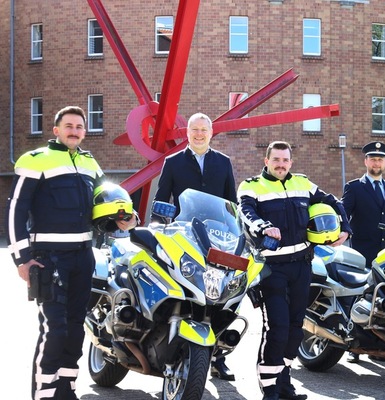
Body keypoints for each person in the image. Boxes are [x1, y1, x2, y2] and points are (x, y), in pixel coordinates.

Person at [8, 106, 137, 400]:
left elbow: (101, 204)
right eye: (69, 126)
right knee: (55, 329)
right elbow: (15, 209)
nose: (75, 130)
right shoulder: (37, 160)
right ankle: (44, 393)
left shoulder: (90, 163)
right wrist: (22, 258)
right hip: (48, 257)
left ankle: (66, 390)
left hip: (83, 256)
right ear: (56, 130)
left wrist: (121, 219)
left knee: (77, 329)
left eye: (80, 126)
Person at [238, 141, 352, 400]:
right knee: (277, 329)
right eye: (276, 159)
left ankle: (284, 385)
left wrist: (345, 228)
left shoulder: (303, 184)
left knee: (295, 328)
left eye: (285, 160)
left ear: (291, 162)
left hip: (302, 266)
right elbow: (245, 212)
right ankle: (269, 390)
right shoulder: (252, 186)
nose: (280, 164)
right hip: (271, 269)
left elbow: (333, 201)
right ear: (266, 161)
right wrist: (262, 226)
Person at [152, 112, 239, 380]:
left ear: (211, 133)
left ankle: (217, 356)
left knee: (223, 296)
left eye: (203, 130)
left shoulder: (223, 163)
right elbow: (161, 199)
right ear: (186, 133)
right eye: (194, 130)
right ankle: (174, 347)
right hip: (183, 238)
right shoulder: (173, 162)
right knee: (185, 291)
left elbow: (231, 203)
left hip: (217, 240)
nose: (199, 134)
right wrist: (157, 227)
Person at [340, 141, 385, 363]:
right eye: (373, 159)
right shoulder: (355, 187)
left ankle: (380, 344)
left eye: (380, 159)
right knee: (359, 296)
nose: (377, 163)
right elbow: (344, 215)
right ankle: (354, 345)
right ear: (366, 161)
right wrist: (341, 233)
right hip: (362, 252)